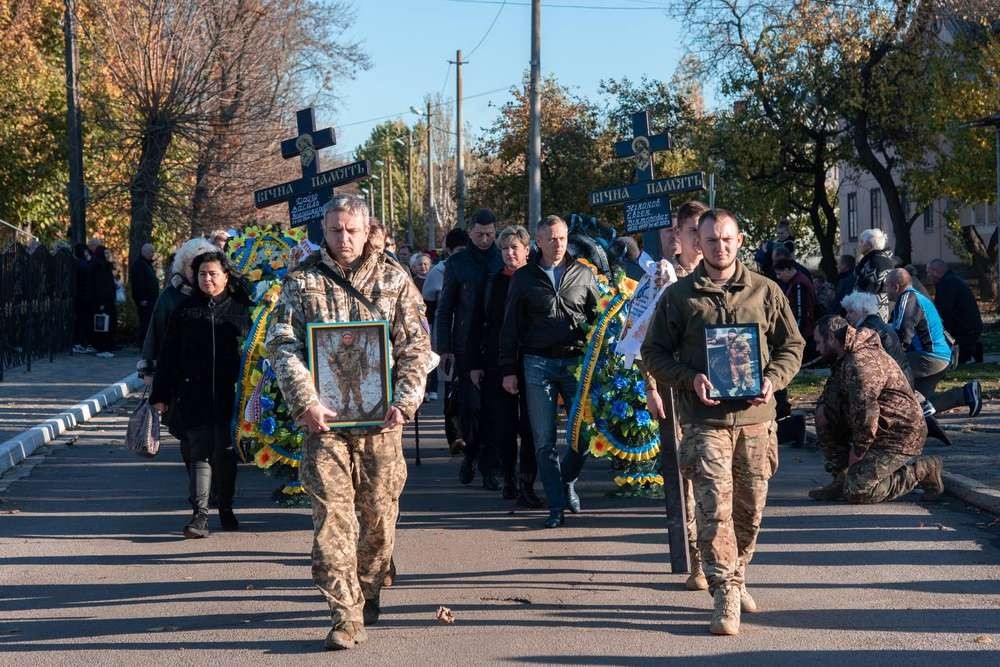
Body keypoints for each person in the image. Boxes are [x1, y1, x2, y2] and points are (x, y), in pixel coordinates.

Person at [266, 193, 431, 651]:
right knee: (332, 521)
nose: (343, 238)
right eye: (335, 230)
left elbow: (415, 347)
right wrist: (305, 401)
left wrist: (405, 402)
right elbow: (282, 345)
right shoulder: (302, 282)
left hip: (382, 424)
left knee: (378, 519)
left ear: (366, 230)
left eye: (351, 230)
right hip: (325, 426)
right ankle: (345, 614)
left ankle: (371, 583)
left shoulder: (394, 279)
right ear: (324, 230)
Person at [641, 208, 804, 636]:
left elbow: (792, 345)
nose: (720, 247)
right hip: (704, 420)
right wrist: (688, 378)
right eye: (711, 240)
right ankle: (725, 591)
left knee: (750, 511)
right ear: (699, 243)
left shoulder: (765, 291)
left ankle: (739, 571)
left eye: (727, 239)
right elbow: (654, 353)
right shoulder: (679, 297)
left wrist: (773, 379)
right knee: (714, 507)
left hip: (755, 420)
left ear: (740, 240)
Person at [499, 215, 599, 529]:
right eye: (552, 239)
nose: (558, 244)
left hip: (575, 363)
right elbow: (510, 326)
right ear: (538, 242)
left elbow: (599, 318)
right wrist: (508, 369)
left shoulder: (584, 273)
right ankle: (555, 505)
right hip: (537, 363)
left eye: (562, 238)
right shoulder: (524, 278)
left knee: (583, 435)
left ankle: (566, 480)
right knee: (544, 440)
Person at [150, 251, 251, 538]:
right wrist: (161, 394)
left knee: (226, 454)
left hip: (231, 397)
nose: (207, 279)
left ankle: (226, 506)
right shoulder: (185, 311)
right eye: (202, 274)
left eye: (213, 274)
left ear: (226, 276)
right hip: (193, 394)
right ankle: (200, 516)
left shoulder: (242, 310)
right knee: (199, 452)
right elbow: (168, 355)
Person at [643, 198, 708, 591]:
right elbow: (642, 340)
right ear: (678, 236)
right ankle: (698, 559)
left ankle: (723, 559)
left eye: (704, 231)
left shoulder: (723, 275)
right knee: (687, 480)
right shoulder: (663, 280)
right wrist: (650, 388)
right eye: (692, 232)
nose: (700, 240)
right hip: (676, 393)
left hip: (718, 395)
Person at [809, 315, 943, 505]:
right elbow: (833, 400)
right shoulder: (844, 357)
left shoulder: (862, 362)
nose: (817, 349)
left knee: (859, 490)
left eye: (818, 342)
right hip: (879, 428)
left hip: (899, 433)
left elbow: (866, 412)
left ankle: (923, 469)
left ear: (831, 337)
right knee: (824, 413)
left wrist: (858, 451)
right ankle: (842, 478)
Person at [468, 225, 544, 508]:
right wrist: (474, 364)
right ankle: (509, 478)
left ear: (527, 250)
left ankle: (527, 482)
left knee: (530, 426)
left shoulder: (536, 278)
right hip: (498, 362)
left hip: (533, 359)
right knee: (504, 424)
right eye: (504, 249)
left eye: (514, 248)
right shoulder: (493, 281)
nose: (509, 253)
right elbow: (477, 323)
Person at [436, 211, 503, 486]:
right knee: (470, 408)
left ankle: (490, 468)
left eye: (490, 234)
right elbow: (445, 308)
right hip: (465, 345)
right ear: (471, 233)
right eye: (479, 234)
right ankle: (470, 454)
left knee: (494, 410)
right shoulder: (457, 263)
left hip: (497, 344)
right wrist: (444, 348)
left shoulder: (502, 257)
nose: (485, 239)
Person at [840, 290, 953, 446]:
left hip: (897, 377)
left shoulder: (868, 329)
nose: (847, 316)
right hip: (900, 374)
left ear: (864, 310)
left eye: (851, 312)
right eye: (847, 312)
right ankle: (924, 419)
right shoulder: (875, 323)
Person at [885, 269, 982, 417]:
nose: (885, 290)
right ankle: (966, 393)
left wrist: (886, 355)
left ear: (896, 286)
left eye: (887, 286)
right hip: (941, 357)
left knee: (886, 368)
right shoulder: (916, 297)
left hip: (929, 357)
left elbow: (903, 335)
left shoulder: (908, 298)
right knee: (917, 407)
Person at [422, 229, 469, 408]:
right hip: (445, 334)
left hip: (469, 333)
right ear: (449, 251)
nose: (463, 255)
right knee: (450, 384)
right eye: (459, 251)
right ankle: (452, 422)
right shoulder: (437, 272)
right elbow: (428, 308)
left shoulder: (473, 267)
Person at [926, 259, 983, 364]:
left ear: (935, 272)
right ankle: (973, 349)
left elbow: (944, 311)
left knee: (952, 361)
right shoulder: (952, 280)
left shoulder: (947, 284)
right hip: (970, 328)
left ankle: (970, 349)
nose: (928, 276)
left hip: (964, 331)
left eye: (928, 272)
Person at [774, 257, 817, 349]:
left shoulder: (799, 284)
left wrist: (794, 335)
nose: (778, 277)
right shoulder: (796, 281)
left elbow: (800, 312)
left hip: (803, 332)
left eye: (779, 274)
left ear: (787, 270)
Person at [854, 229, 895, 320]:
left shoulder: (876, 261)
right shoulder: (881, 259)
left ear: (870, 245)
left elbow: (869, 288)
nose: (859, 245)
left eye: (862, 242)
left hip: (873, 311)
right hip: (877, 308)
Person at [88, 246, 118, 357]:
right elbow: (99, 286)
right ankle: (102, 347)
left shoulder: (104, 265)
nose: (107, 255)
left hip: (107, 300)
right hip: (103, 301)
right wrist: (101, 302)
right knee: (102, 325)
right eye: (105, 253)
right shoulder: (98, 266)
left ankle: (106, 346)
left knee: (106, 324)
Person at [328, 332, 367, 414]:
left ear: (352, 339)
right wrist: (336, 369)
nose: (348, 340)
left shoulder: (359, 349)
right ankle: (346, 408)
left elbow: (364, 362)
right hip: (343, 376)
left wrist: (364, 372)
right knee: (344, 393)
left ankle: (360, 408)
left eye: (349, 338)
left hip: (355, 376)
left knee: (357, 393)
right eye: (345, 338)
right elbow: (331, 362)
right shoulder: (336, 350)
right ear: (343, 339)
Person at [130, 243, 160, 347]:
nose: (153, 254)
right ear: (144, 252)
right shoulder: (139, 265)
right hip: (145, 300)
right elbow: (138, 283)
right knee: (145, 323)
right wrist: (141, 298)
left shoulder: (147, 264)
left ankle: (147, 344)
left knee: (148, 322)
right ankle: (144, 345)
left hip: (150, 299)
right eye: (151, 252)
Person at [72, 243, 94, 354]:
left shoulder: (78, 263)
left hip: (81, 295)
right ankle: (79, 342)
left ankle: (79, 342)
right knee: (82, 320)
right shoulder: (83, 264)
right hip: (83, 296)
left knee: (81, 320)